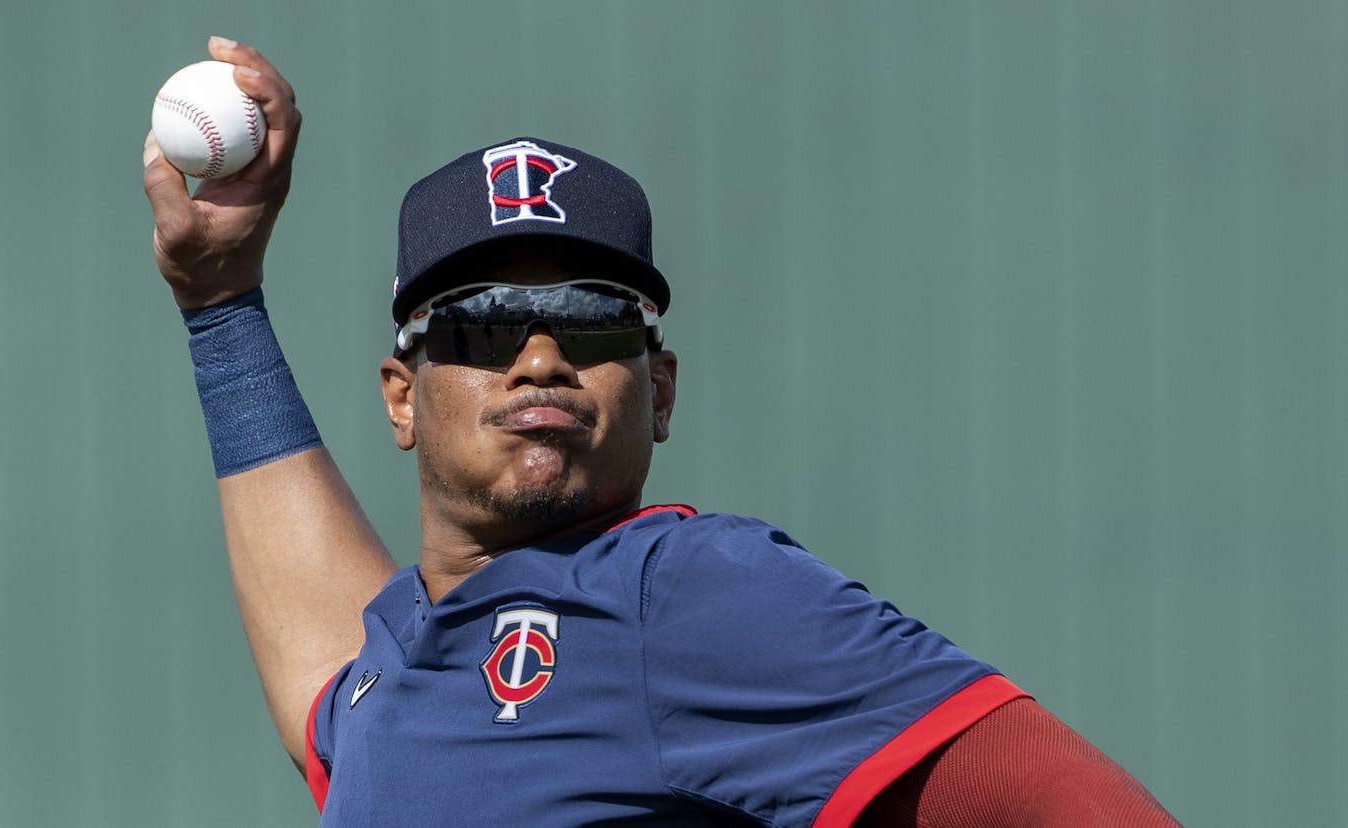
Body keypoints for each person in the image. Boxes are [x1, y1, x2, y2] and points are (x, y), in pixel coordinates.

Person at [143, 37, 1178, 827]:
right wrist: (221, 306)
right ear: (402, 397)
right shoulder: (395, 664)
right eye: (486, 322)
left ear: (661, 390)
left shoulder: (688, 584)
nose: (540, 358)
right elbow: (324, 687)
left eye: (594, 321)